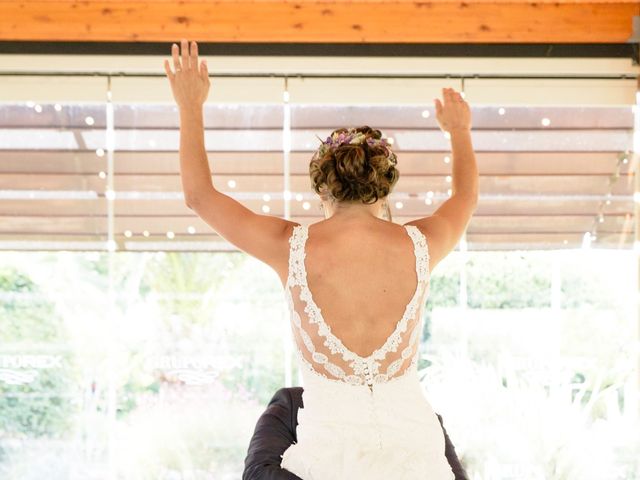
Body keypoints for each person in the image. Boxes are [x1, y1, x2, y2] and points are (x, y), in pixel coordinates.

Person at [165, 39, 479, 479]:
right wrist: (459, 130)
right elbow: (465, 196)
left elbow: (199, 196)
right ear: (384, 190)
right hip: (418, 449)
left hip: (331, 455)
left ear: (321, 189)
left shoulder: (289, 245)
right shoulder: (422, 243)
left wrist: (190, 104)